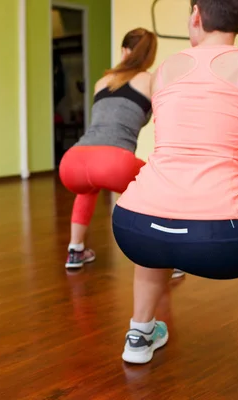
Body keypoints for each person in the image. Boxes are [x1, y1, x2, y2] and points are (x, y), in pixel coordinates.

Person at [111, 0, 238, 395]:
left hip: (131, 224)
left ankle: (139, 334)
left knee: (160, 215)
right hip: (219, 242)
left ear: (196, 15)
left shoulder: (164, 70)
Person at [58, 28, 185, 279]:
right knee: (160, 188)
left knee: (88, 188)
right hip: (114, 161)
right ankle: (168, 257)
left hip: (73, 161)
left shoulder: (101, 82)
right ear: (149, 56)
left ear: (124, 51)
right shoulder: (151, 80)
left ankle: (75, 250)